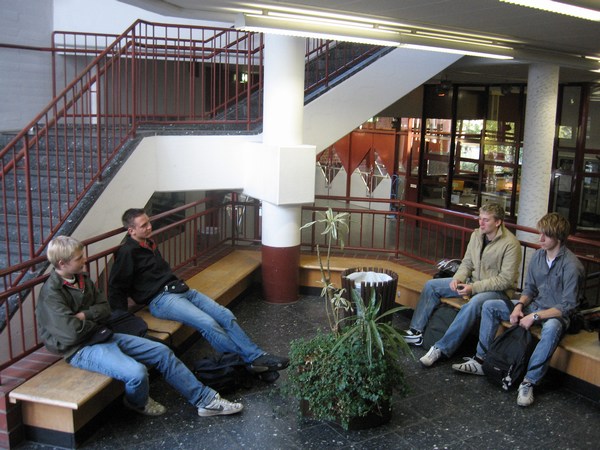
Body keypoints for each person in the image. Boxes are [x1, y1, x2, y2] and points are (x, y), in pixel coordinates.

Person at [36, 236, 243, 418]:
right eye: (79, 258)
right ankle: (137, 403)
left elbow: (105, 309)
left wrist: (86, 315)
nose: (85, 260)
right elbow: (72, 333)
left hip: (102, 334)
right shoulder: (51, 294)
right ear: (62, 263)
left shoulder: (82, 279)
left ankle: (205, 401)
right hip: (80, 348)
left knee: (162, 352)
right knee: (137, 373)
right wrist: (95, 318)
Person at [108, 208, 289, 374]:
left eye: (149, 222)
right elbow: (116, 285)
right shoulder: (128, 252)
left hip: (180, 289)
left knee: (225, 315)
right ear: (131, 231)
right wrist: (121, 318)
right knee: (207, 323)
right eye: (143, 225)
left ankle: (257, 356)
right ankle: (243, 364)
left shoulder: (149, 244)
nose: (149, 227)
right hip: (161, 300)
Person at [453, 213, 584, 407]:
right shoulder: (538, 256)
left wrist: (534, 316)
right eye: (540, 233)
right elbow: (529, 289)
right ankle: (481, 360)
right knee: (490, 306)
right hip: (534, 306)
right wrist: (519, 306)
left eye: (546, 235)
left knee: (551, 328)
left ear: (558, 237)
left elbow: (567, 306)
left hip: (555, 314)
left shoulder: (571, 266)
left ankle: (529, 381)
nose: (540, 239)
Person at [401, 203, 522, 367]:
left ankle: (441, 348)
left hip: (498, 292)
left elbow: (505, 280)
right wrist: (458, 278)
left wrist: (473, 288)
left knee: (473, 304)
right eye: (480, 218)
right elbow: (467, 263)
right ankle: (416, 331)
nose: (481, 223)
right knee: (431, 286)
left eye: (486, 220)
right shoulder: (476, 235)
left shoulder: (511, 244)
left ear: (498, 222)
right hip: (473, 283)